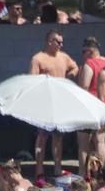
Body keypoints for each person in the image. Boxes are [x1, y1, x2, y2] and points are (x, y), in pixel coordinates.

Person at [29, 30, 78, 178]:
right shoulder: (38, 58)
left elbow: (75, 67)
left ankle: (57, 168)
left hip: (59, 103)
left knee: (58, 137)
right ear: (49, 41)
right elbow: (32, 80)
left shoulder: (63, 57)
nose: (61, 45)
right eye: (58, 42)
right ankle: (39, 170)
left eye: (62, 42)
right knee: (42, 137)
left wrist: (70, 75)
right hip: (44, 104)